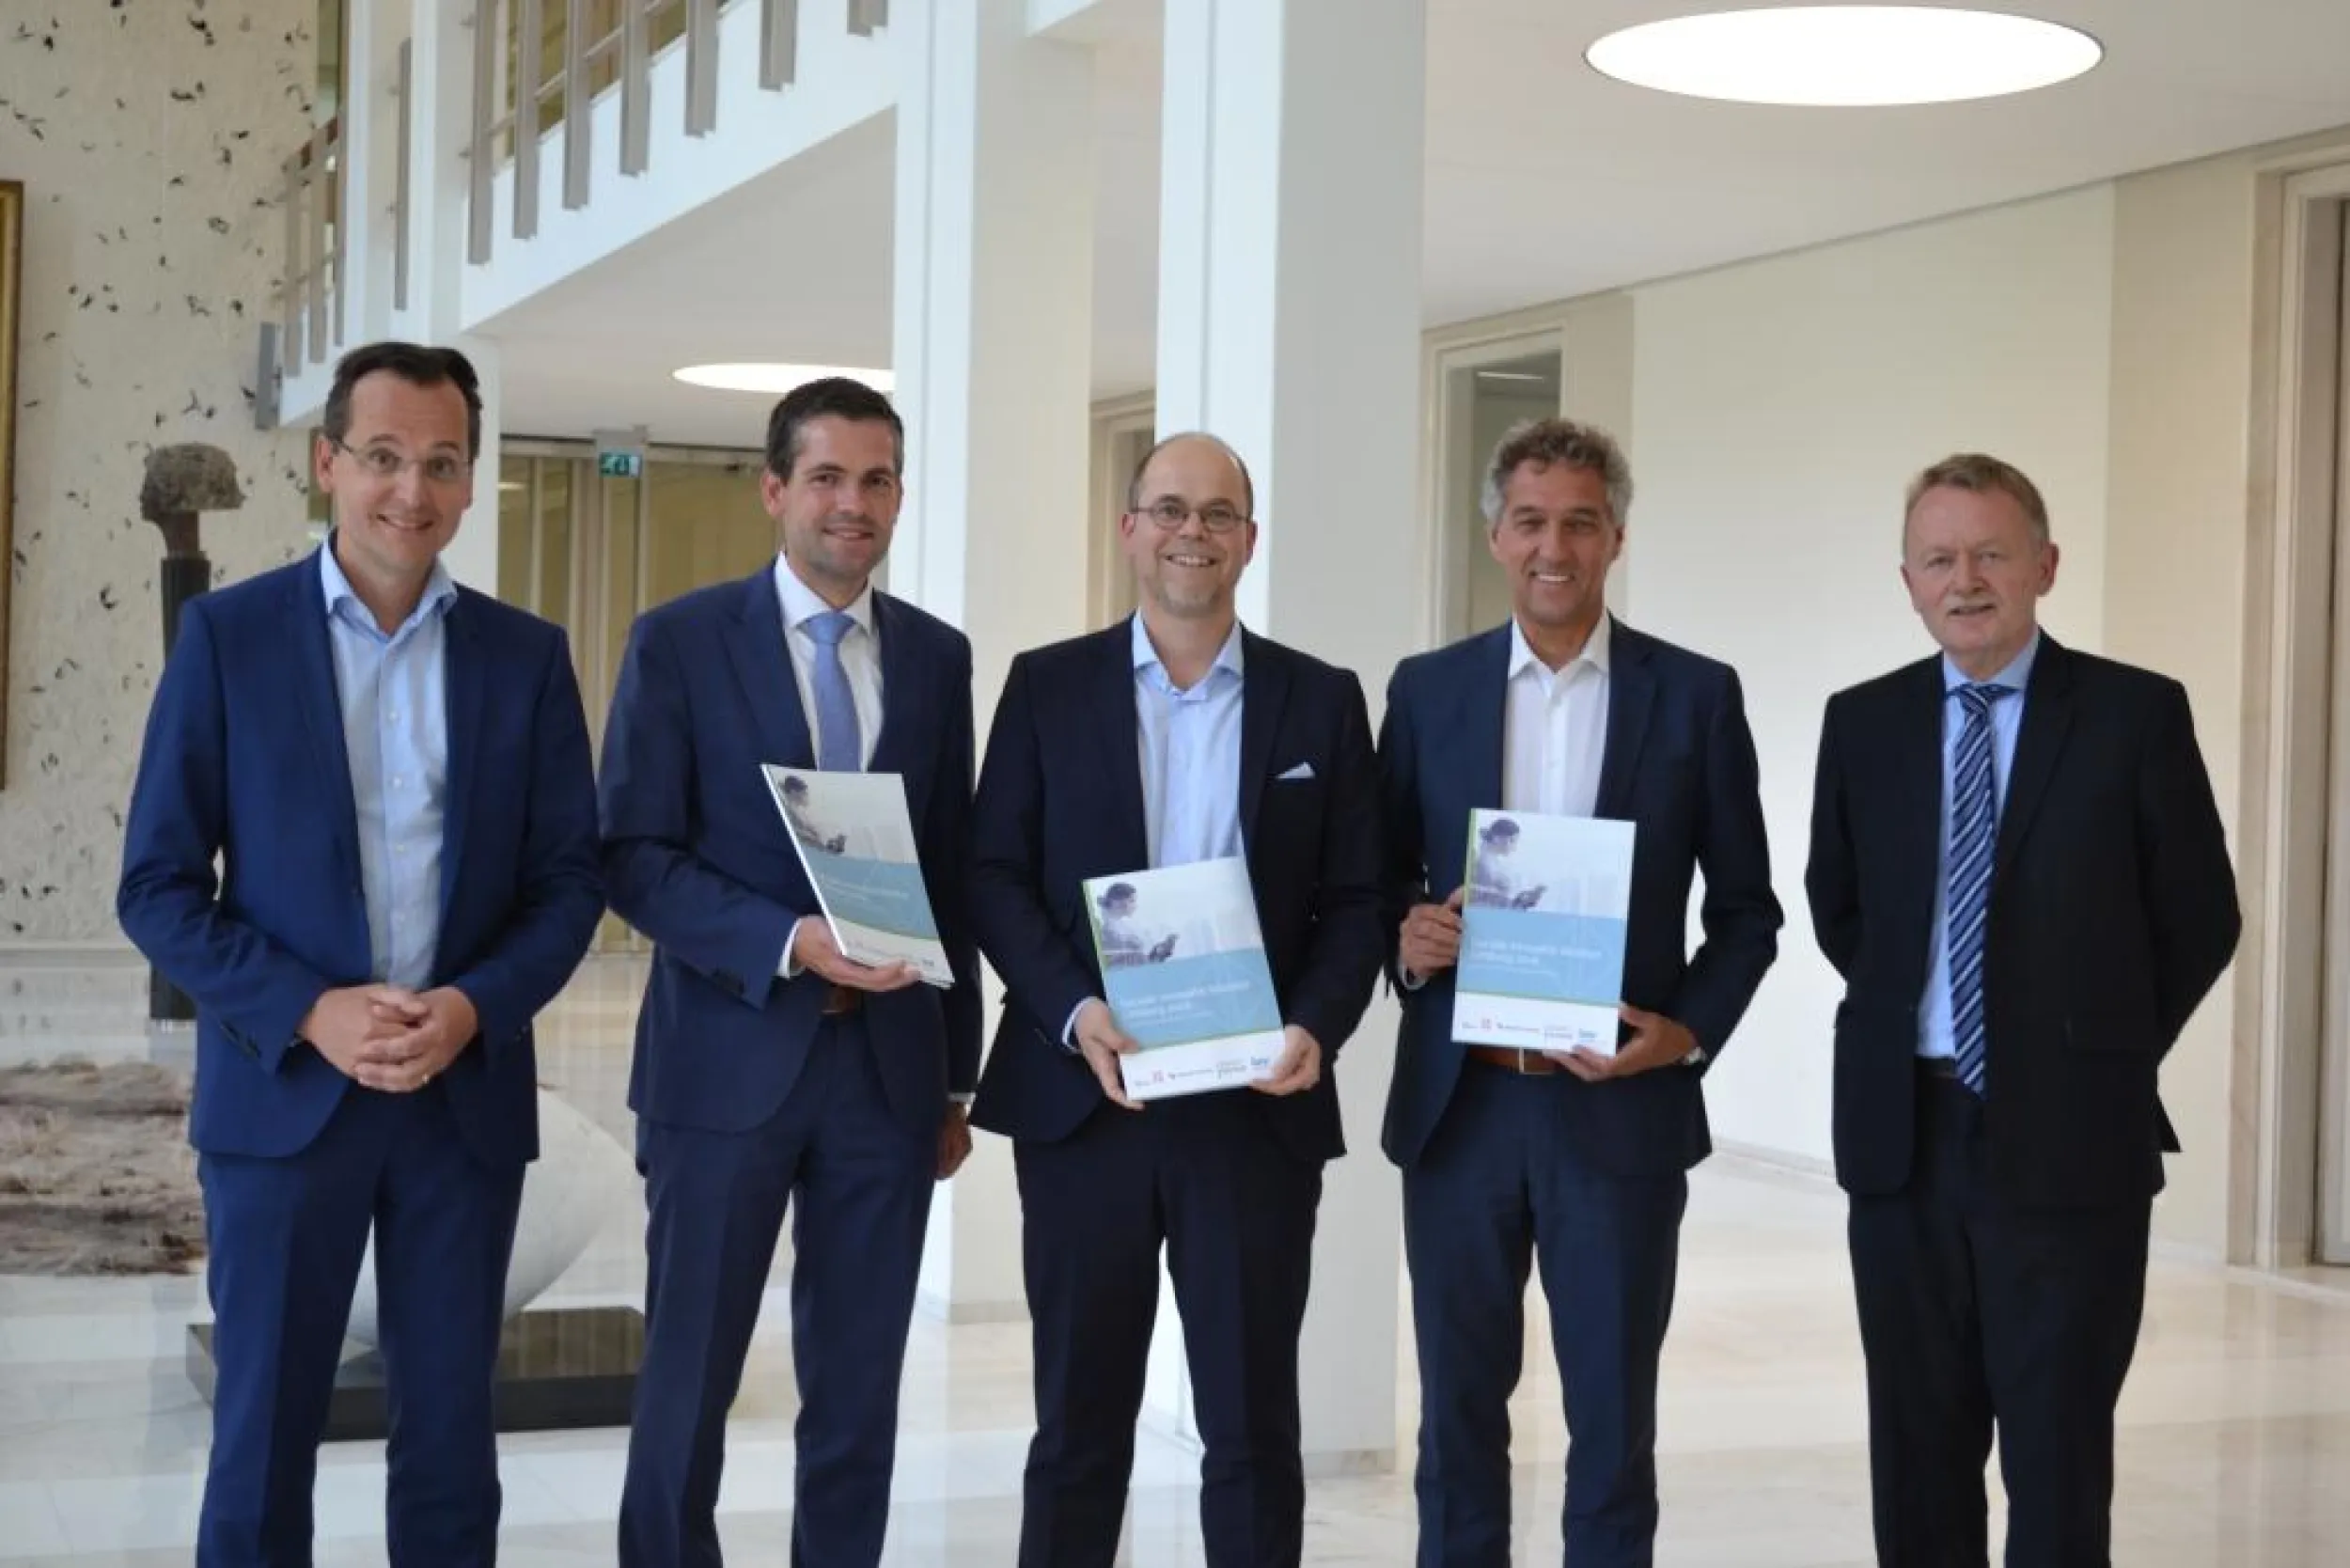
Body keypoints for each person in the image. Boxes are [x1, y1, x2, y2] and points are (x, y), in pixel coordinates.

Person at [116, 340, 605, 1567]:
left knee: (449, 1453)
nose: (410, 490)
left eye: (441, 463)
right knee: (261, 1444)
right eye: (383, 456)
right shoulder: (229, 639)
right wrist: (310, 1009)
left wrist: (473, 1007)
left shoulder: (526, 658)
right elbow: (157, 888)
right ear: (326, 462)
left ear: (471, 479)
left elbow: (567, 884)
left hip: (462, 1105)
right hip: (284, 1103)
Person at [1805, 453, 2239, 1568]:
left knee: (2056, 1456)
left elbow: (2199, 914)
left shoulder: (2133, 714)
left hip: (2073, 1142)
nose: (1965, 580)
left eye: (1991, 554)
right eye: (1939, 559)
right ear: (1907, 581)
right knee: (1916, 1452)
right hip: (1902, 1139)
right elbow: (1840, 907)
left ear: (2044, 566)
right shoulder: (1862, 723)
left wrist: (2096, 1049)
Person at [968, 431, 1385, 1567]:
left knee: (1251, 1431)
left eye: (1216, 513)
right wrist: (1072, 1011)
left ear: (1249, 539)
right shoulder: (1047, 686)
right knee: (1077, 1428)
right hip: (1085, 1104)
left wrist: (1314, 1026)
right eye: (1168, 509)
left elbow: (1357, 899)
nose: (1191, 532)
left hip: (1254, 1111)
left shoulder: (1321, 699)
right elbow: (993, 875)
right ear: (1129, 529)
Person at [1377, 417, 1781, 1568]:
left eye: (1580, 524)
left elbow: (1747, 912)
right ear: (1495, 535)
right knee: (1457, 1417)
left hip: (1619, 1109)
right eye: (1531, 522)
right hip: (1462, 1109)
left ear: (1615, 538)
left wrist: (1682, 1033)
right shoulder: (1427, 691)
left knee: (1610, 1425)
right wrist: (1409, 937)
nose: (1554, 548)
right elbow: (1374, 882)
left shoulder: (1695, 696)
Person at [599, 377, 982, 1567]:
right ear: (774, 490)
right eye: (825, 477)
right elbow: (632, 856)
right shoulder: (679, 642)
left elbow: (951, 872)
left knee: (859, 1388)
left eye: (875, 480)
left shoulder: (937, 659)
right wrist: (787, 940)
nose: (851, 503)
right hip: (725, 1065)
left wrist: (954, 1081)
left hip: (888, 1077)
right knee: (689, 1379)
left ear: (899, 498)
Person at [1465, 816, 1543, 910]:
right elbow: (1479, 897)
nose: (1514, 847)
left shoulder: (1491, 860)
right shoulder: (1482, 862)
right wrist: (1517, 901)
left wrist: (1520, 900)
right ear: (1497, 838)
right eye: (1512, 841)